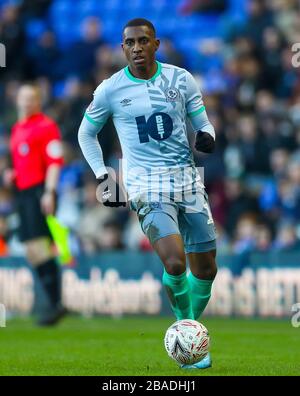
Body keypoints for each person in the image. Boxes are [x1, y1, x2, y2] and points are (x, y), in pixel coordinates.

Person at [78, 18, 217, 369]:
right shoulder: (110, 89)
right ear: (122, 48)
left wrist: (207, 136)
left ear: (156, 43)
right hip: (146, 186)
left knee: (207, 270)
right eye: (129, 43)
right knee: (174, 261)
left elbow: (203, 122)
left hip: (188, 182)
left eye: (143, 41)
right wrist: (102, 175)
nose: (136, 48)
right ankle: (186, 337)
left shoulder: (181, 79)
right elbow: (85, 134)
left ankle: (187, 329)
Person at [4, 84, 65, 326]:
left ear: (38, 101)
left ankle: (55, 303)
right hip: (23, 192)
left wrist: (49, 192)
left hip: (39, 191)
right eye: (23, 98)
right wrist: (13, 174)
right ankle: (54, 303)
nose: (27, 103)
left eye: (31, 99)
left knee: (39, 246)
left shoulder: (46, 126)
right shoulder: (18, 128)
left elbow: (54, 161)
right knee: (31, 249)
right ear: (17, 101)